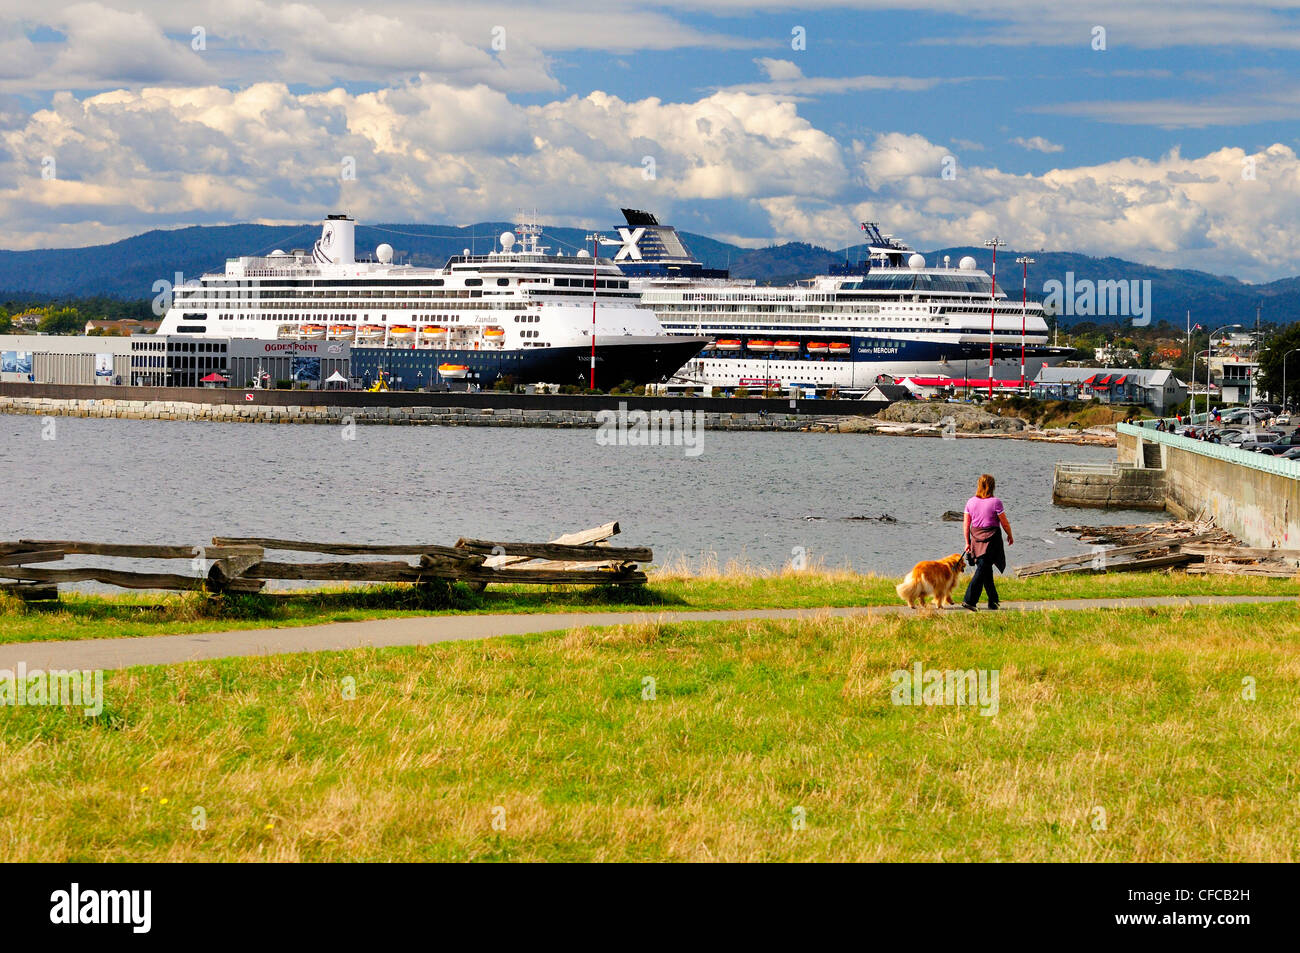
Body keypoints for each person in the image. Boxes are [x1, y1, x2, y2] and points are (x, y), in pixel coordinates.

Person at [961, 473, 1013, 611]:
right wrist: (1010, 534)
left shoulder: (970, 502)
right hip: (992, 539)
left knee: (985, 568)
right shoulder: (996, 502)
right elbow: (1004, 522)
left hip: (976, 538)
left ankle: (993, 601)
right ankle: (969, 600)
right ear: (992, 486)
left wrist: (967, 542)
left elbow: (966, 524)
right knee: (983, 568)